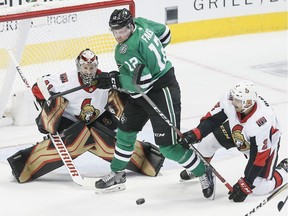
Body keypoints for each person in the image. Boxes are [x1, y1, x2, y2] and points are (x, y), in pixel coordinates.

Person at [93, 8, 214, 198]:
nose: (119, 36)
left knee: (168, 147)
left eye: (122, 31)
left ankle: (202, 170)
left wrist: (115, 80)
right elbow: (165, 34)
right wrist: (154, 58)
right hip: (141, 93)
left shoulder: (127, 49)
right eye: (115, 32)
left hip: (161, 91)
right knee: (125, 133)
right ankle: (117, 173)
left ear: (130, 26)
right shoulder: (141, 22)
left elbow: (144, 82)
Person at [7, 48, 165, 183]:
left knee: (96, 136)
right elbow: (37, 87)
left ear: (97, 66)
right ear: (78, 66)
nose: (89, 72)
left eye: (92, 68)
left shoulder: (105, 79)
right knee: (79, 134)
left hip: (100, 120)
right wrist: (46, 102)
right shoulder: (65, 80)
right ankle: (26, 162)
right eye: (85, 68)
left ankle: (146, 158)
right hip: (69, 122)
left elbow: (131, 90)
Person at [180, 80, 288, 202]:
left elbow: (259, 157)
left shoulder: (261, 121)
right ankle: (203, 171)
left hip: (265, 144)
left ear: (248, 103)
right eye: (233, 98)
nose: (232, 101)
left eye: (237, 100)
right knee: (206, 144)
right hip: (237, 129)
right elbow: (213, 119)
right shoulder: (230, 99)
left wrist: (247, 183)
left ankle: (285, 170)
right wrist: (196, 134)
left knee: (259, 188)